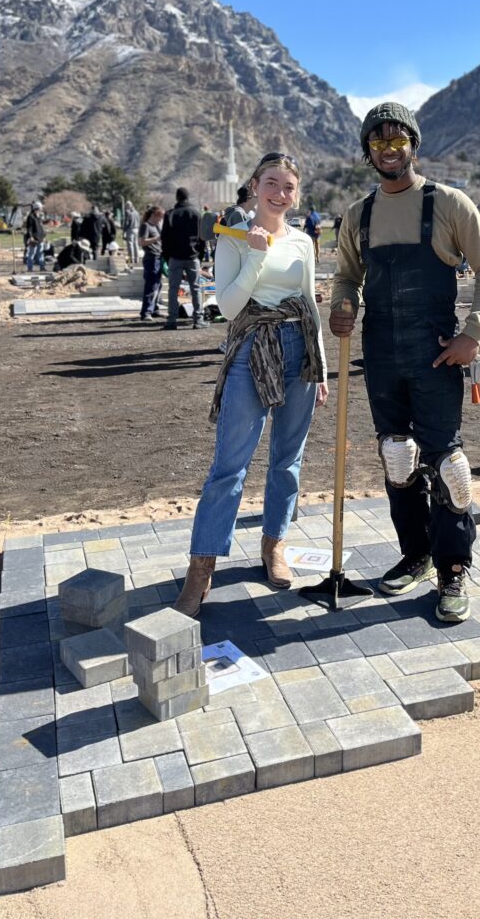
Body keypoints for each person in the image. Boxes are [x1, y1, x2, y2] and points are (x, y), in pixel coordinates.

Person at [331, 101, 480, 624]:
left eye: (396, 140)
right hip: (381, 351)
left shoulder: (450, 204)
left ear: (413, 144)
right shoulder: (358, 216)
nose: (388, 150)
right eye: (378, 143)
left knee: (448, 464)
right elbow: (346, 277)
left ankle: (453, 567)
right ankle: (417, 553)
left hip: (436, 351)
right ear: (368, 152)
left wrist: (472, 335)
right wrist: (343, 306)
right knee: (397, 457)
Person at [174, 153, 328, 614]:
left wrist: (319, 366)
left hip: (298, 348)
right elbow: (227, 306)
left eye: (289, 187)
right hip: (250, 348)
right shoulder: (233, 237)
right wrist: (257, 257)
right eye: (272, 184)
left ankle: (273, 544)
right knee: (230, 466)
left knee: (288, 459)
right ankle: (201, 569)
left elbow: (307, 303)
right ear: (255, 185)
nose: (280, 194)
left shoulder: (302, 241)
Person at [161, 187, 207, 330]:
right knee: (195, 288)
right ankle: (198, 319)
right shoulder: (196, 213)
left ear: (177, 198)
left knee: (173, 289)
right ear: (188, 197)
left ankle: (171, 320)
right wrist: (199, 255)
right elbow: (203, 237)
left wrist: (167, 257)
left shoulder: (170, 214)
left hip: (175, 257)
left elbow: (165, 238)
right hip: (192, 256)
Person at [138, 205, 165, 320]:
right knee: (151, 284)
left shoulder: (157, 226)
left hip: (159, 257)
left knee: (158, 285)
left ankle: (154, 308)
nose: (161, 220)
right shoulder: (146, 226)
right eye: (160, 217)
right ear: (154, 215)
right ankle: (146, 312)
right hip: (151, 258)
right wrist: (156, 239)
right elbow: (142, 242)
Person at [24, 201, 46, 271]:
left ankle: (42, 267)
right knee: (31, 254)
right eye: (40, 208)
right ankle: (29, 268)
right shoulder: (31, 217)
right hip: (34, 238)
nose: (41, 209)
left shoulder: (39, 217)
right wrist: (31, 237)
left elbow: (41, 228)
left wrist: (44, 236)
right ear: (37, 208)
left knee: (41, 253)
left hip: (40, 238)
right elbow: (29, 228)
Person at [122, 201, 140, 267]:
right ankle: (137, 259)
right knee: (136, 244)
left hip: (130, 229)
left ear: (127, 206)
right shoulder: (136, 212)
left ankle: (131, 260)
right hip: (136, 229)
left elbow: (126, 223)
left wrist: (124, 231)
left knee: (130, 245)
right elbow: (139, 220)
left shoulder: (127, 212)